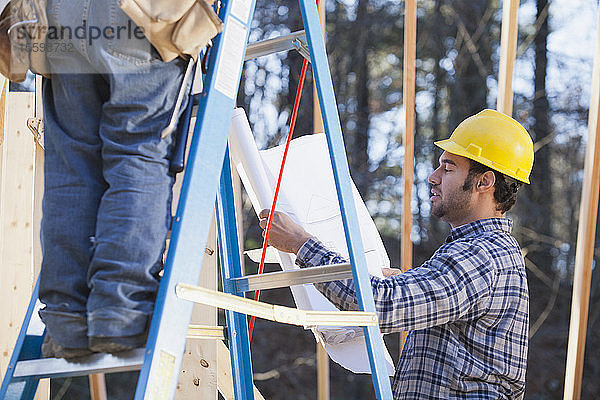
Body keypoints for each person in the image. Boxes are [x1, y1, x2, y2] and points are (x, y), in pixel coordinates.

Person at [259, 109, 534, 399]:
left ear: (484, 182)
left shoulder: (480, 255)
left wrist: (301, 244)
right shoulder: (483, 252)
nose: (433, 177)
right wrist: (406, 284)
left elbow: (380, 305)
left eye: (449, 168)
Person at [37, 0, 189, 359]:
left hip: (60, 14)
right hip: (143, 11)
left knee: (71, 168)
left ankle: (67, 319)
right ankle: (121, 311)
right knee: (137, 152)